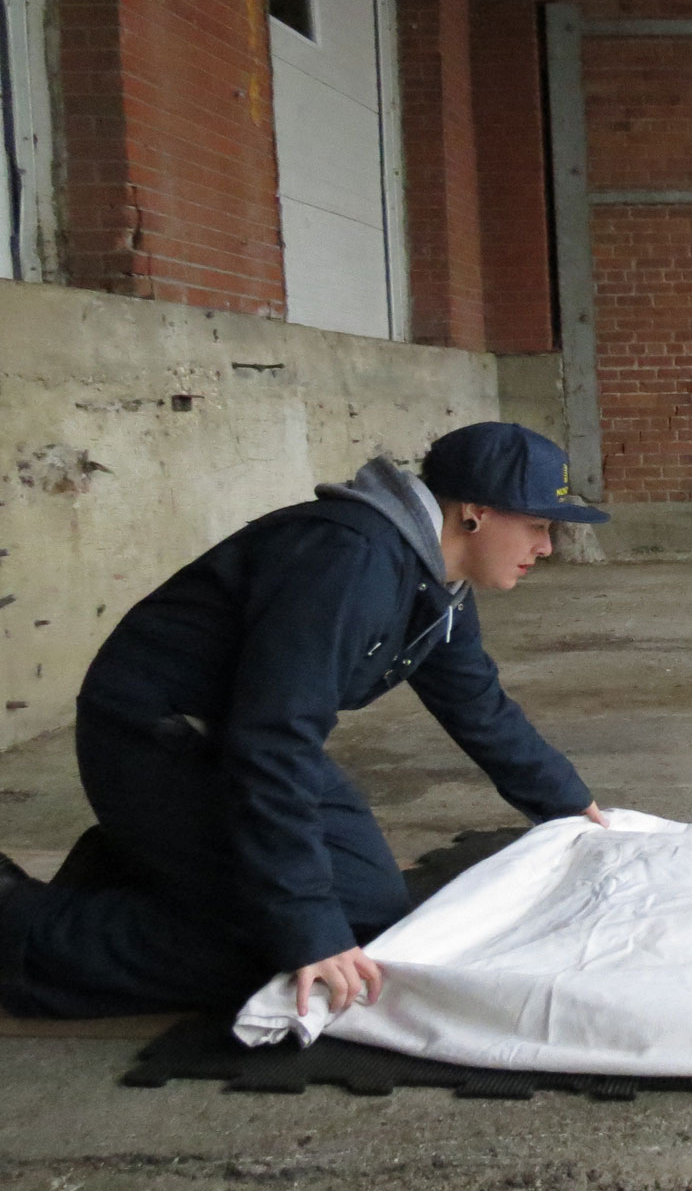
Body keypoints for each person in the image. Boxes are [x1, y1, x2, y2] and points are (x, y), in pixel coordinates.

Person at [0, 422, 611, 1020]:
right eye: (537, 526)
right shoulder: (351, 560)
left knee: (368, 911)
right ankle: (24, 933)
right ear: (473, 513)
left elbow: (476, 704)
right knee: (304, 948)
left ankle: (143, 870)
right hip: (155, 735)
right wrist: (308, 934)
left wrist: (571, 808)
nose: (546, 548)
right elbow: (272, 741)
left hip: (232, 733)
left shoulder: (436, 580)